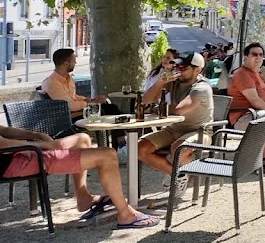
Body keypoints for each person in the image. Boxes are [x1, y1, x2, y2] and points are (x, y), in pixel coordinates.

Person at [0, 126, 159, 229]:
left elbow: (4, 131)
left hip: (20, 154)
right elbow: (4, 144)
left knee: (82, 138)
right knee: (108, 155)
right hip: (16, 161)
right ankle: (126, 214)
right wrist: (46, 145)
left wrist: (36, 135)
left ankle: (83, 198)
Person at [138, 52, 214, 189]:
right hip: (174, 129)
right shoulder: (175, 82)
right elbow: (146, 100)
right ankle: (178, 175)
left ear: (198, 69)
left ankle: (186, 171)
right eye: (178, 66)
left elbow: (179, 109)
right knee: (140, 148)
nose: (179, 70)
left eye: (184, 67)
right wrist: (160, 82)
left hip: (200, 131)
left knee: (179, 149)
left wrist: (156, 109)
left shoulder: (201, 88)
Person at [41, 49, 112, 118]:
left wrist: (90, 100)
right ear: (66, 64)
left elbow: (73, 97)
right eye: (74, 60)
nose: (75, 63)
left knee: (110, 108)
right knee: (107, 111)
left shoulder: (68, 78)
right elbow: (71, 106)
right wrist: (93, 103)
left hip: (76, 112)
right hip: (68, 118)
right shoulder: (53, 84)